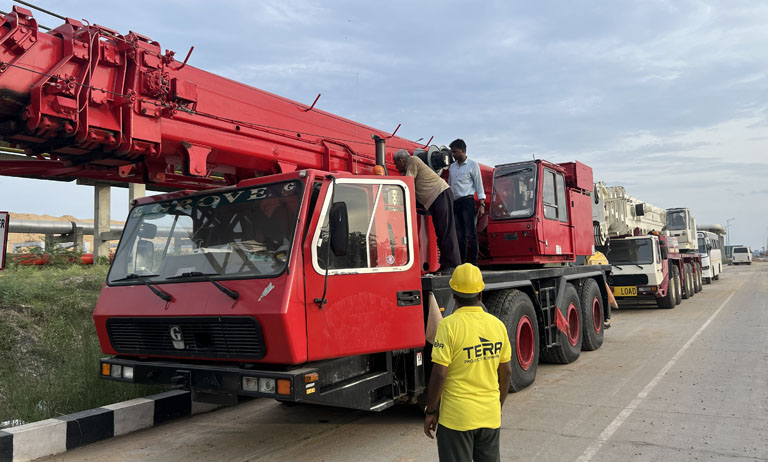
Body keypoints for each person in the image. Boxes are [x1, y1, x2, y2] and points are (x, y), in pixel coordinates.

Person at [424, 263, 512, 462]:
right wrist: (497, 406)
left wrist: (431, 411)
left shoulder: (448, 326)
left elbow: (439, 374)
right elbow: (506, 372)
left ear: (454, 295)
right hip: (489, 416)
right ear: (480, 293)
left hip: (457, 419)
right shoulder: (497, 325)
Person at [394, 149, 460, 273]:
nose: (396, 167)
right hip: (436, 198)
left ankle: (453, 264)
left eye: (396, 164)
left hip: (440, 194)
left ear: (401, 160)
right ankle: (446, 264)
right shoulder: (412, 164)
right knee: (440, 231)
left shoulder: (412, 160)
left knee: (445, 230)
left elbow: (408, 181)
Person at [448, 139, 485, 266]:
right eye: (452, 152)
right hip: (456, 203)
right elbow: (450, 185)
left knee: (470, 233)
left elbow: (479, 185)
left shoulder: (473, 165)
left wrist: (482, 204)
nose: (453, 154)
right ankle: (461, 263)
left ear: (462, 151)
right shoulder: (452, 167)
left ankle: (474, 262)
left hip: (467, 201)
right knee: (459, 235)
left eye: (455, 152)